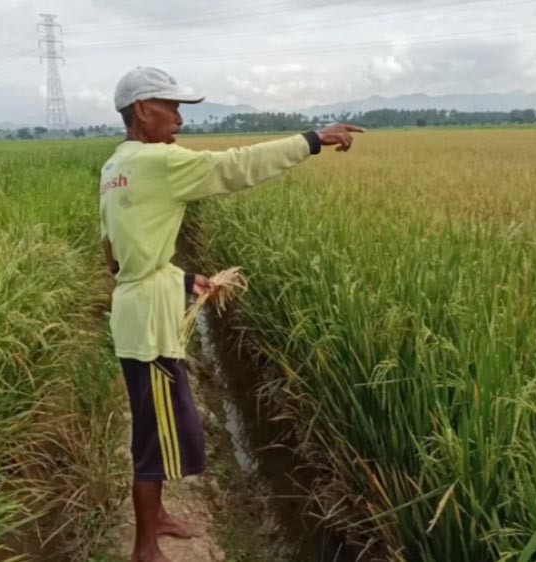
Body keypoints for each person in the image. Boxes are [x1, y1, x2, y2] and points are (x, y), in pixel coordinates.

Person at [99, 66, 363, 562]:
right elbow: (234, 166)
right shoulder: (158, 161)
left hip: (136, 312)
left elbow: (117, 252)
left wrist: (177, 279)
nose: (179, 118)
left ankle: (156, 519)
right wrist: (311, 139)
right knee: (155, 438)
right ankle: (143, 549)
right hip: (150, 328)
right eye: (171, 107)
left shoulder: (116, 164)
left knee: (152, 422)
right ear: (142, 111)